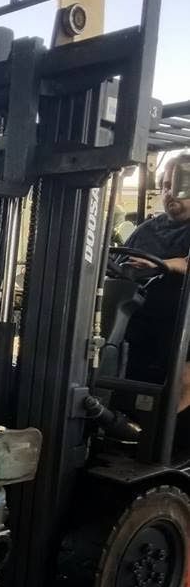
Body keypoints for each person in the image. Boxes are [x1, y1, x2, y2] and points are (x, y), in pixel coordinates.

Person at [124, 155, 190, 411]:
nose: (169, 194)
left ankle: (165, 438)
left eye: (177, 187)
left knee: (181, 380)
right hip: (145, 320)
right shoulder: (147, 229)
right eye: (164, 186)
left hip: (184, 325)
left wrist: (164, 264)